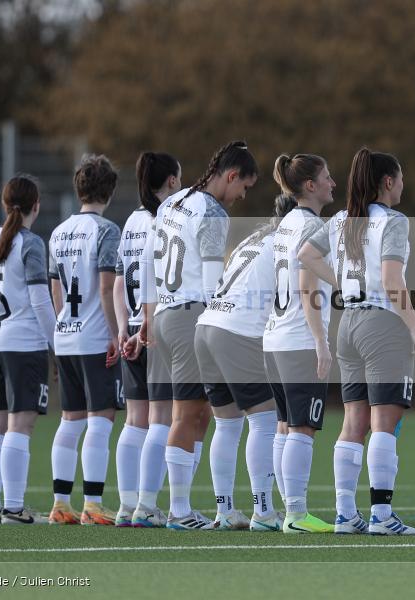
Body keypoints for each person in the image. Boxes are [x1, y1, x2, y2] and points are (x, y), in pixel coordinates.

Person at [300, 148, 415, 535]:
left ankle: (344, 514)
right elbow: (392, 281)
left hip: (348, 324)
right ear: (388, 181)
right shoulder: (392, 220)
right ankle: (382, 516)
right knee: (383, 424)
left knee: (353, 421)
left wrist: (340, 281)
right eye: (400, 177)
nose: (403, 184)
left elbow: (305, 255)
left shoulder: (340, 219)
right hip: (381, 327)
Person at [141, 140, 258, 530]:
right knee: (187, 414)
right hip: (192, 313)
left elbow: (148, 260)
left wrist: (149, 313)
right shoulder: (211, 212)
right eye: (244, 186)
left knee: (195, 413)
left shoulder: (172, 203)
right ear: (231, 175)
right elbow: (211, 281)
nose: (243, 196)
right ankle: (178, 510)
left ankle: (180, 507)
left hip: (166, 314)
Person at [193, 194, 298, 531]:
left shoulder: (254, 236)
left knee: (226, 424)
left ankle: (224, 510)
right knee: (265, 421)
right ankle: (264, 512)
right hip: (236, 331)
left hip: (207, 326)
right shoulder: (288, 243)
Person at [0, 175, 55, 525]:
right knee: (19, 426)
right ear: (36, 205)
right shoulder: (30, 243)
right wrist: (57, 344)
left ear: (5, 205)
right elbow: (40, 300)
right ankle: (15, 508)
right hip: (22, 343)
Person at [47, 155, 123, 526]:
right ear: (109, 191)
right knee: (101, 420)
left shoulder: (58, 232)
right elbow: (107, 287)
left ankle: (61, 503)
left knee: (70, 420)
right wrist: (114, 332)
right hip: (95, 339)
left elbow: (55, 288)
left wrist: (64, 325)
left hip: (66, 336)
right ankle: (92, 503)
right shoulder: (107, 230)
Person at [262, 153, 335, 534]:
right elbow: (308, 286)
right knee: (302, 428)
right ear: (310, 185)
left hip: (274, 337)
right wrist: (321, 342)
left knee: (284, 426)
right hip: (298, 338)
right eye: (326, 177)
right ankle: (296, 514)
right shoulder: (310, 226)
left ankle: (280, 513)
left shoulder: (287, 222)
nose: (332, 183)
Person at [112, 151, 181, 527]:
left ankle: (126, 506)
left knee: (134, 421)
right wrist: (146, 326)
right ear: (171, 181)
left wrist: (123, 327)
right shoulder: (170, 219)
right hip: (157, 330)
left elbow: (120, 281)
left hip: (134, 329)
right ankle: (148, 506)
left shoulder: (132, 222)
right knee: (161, 420)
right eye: (180, 179)